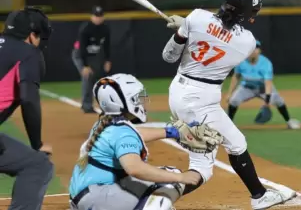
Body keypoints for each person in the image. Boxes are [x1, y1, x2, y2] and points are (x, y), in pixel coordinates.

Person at [162, 0, 296, 209]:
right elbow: (222, 35)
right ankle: (154, 198)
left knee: (233, 144)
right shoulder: (247, 42)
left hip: (179, 92)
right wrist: (189, 28)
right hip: (200, 101)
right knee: (209, 163)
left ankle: (259, 195)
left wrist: (182, 32)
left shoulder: (196, 17)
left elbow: (169, 57)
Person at [69, 73, 222, 210]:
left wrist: (172, 132)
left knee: (166, 175)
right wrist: (181, 178)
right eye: (136, 98)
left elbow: (134, 134)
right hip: (99, 198)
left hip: (87, 196)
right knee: (171, 181)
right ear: (123, 102)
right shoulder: (122, 133)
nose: (142, 101)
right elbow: (135, 168)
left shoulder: (106, 123)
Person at [0, 7, 54, 210]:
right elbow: (29, 100)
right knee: (38, 165)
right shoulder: (29, 53)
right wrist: (37, 144)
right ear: (32, 36)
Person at [226, 40, 301, 129]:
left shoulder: (265, 63)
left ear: (259, 51)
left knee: (279, 101)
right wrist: (230, 93)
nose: (254, 51)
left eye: (256, 48)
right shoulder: (241, 62)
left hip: (264, 88)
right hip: (247, 88)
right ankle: (228, 125)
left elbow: (268, 82)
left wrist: (267, 100)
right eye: (251, 49)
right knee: (234, 100)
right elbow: (236, 76)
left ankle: (289, 122)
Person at [72, 6, 112, 113]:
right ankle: (86, 106)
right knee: (87, 75)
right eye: (96, 16)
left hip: (93, 55)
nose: (98, 18)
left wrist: (107, 60)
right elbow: (82, 48)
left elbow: (107, 45)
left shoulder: (105, 29)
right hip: (80, 54)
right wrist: (85, 66)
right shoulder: (85, 28)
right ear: (91, 17)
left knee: (96, 76)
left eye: (100, 16)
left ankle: (103, 103)